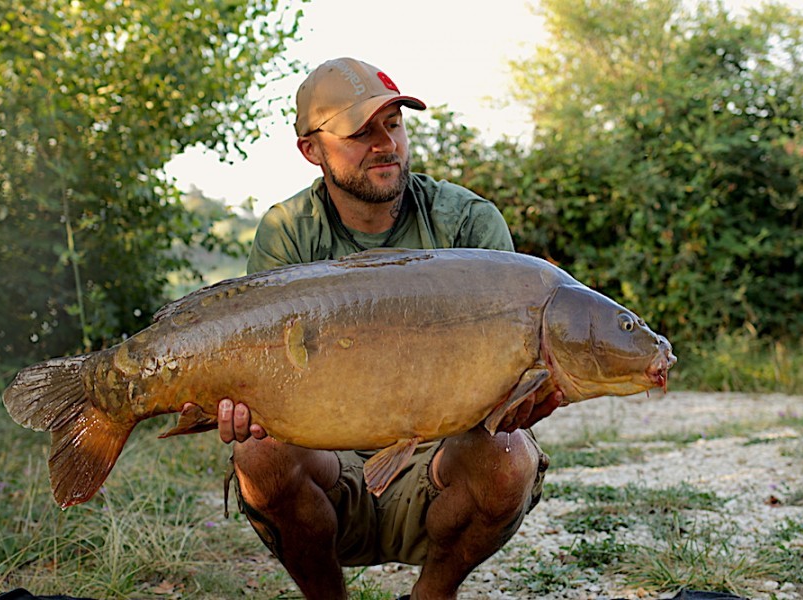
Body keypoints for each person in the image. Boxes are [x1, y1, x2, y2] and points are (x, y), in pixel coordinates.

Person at [215, 57, 563, 599]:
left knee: (509, 456)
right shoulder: (287, 234)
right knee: (258, 453)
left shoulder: (468, 224)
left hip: (441, 461)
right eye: (360, 132)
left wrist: (526, 394)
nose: (385, 144)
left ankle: (433, 595)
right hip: (325, 464)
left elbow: (512, 375)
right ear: (311, 150)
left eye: (394, 125)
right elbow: (263, 368)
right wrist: (237, 401)